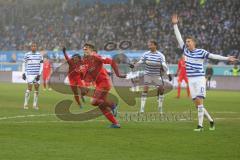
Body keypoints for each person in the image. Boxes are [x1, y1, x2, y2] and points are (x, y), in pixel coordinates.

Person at [172, 14, 237, 131]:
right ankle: (211, 120)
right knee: (198, 105)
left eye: (189, 41)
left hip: (199, 79)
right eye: (186, 42)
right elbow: (178, 38)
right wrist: (175, 25)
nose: (187, 43)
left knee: (200, 102)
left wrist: (227, 58)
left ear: (194, 43)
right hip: (190, 80)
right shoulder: (185, 51)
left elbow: (214, 56)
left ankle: (200, 126)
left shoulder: (201, 52)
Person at [80, 43, 126, 128]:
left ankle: (113, 105)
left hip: (104, 83)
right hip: (99, 85)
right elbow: (87, 74)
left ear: (91, 50)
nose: (84, 50)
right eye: (83, 49)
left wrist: (118, 74)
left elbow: (111, 62)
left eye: (86, 49)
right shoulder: (86, 60)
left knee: (93, 102)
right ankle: (115, 123)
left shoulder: (96, 56)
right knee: (101, 105)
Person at [135, 40, 172, 113]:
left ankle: (160, 108)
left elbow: (164, 65)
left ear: (155, 46)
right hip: (148, 74)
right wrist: (134, 65)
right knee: (145, 89)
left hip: (156, 75)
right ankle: (142, 109)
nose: (149, 46)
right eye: (149, 45)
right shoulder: (146, 54)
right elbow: (141, 61)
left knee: (161, 89)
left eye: (151, 45)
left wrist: (168, 73)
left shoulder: (160, 55)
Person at [22, 43, 43, 110]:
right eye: (32, 46)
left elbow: (42, 65)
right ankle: (25, 104)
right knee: (29, 88)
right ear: (30, 47)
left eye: (35, 46)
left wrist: (39, 74)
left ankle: (34, 105)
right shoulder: (27, 55)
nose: (33, 47)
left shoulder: (39, 55)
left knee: (36, 89)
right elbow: (24, 64)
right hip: (29, 74)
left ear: (36, 47)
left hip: (36, 74)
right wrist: (23, 73)